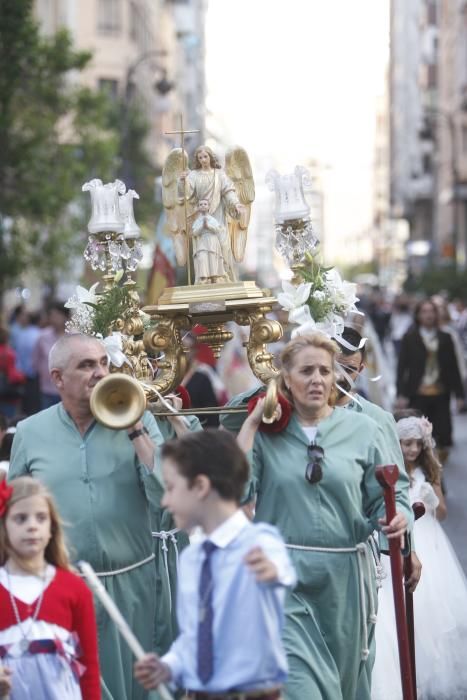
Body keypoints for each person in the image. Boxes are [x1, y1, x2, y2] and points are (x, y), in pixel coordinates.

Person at [235, 332, 412, 700]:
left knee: (343, 684)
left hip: (345, 578)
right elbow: (237, 491)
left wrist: (398, 521)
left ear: (336, 378)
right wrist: (251, 424)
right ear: (286, 378)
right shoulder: (268, 433)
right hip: (282, 576)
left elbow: (390, 496)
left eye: (325, 371)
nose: (317, 379)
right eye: (306, 371)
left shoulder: (366, 429)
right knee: (299, 685)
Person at [8, 333, 165, 700]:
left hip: (133, 583)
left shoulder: (140, 419)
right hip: (62, 586)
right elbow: (15, 508)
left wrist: (135, 428)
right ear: (58, 378)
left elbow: (164, 496)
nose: (99, 372)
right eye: (86, 365)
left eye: (103, 363)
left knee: (136, 687)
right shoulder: (31, 432)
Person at [134, 429, 296, 698]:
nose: (165, 500)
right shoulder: (192, 559)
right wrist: (169, 666)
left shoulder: (260, 542)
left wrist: (272, 571)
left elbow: (283, 573)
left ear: (200, 487)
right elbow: (193, 637)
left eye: (171, 488)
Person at [372, 414, 467, 699]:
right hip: (405, 544)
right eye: (406, 443)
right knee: (403, 607)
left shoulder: (428, 472)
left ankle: (425, 672)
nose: (412, 450)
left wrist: (431, 496)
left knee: (433, 613)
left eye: (417, 444)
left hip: (429, 542)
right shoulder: (389, 472)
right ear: (396, 444)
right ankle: (408, 672)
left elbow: (442, 514)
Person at [0, 476, 101, 699]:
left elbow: (89, 668)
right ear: (4, 526)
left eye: (41, 518)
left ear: (51, 527)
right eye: (20, 519)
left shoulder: (74, 588)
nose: (32, 526)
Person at [396, 298, 465, 464]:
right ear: (418, 315)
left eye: (431, 311)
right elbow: (401, 367)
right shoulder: (410, 337)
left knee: (442, 430)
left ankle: (438, 463)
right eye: (424, 312)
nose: (428, 315)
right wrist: (401, 394)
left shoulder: (445, 337)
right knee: (419, 430)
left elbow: (453, 367)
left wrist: (460, 394)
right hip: (418, 392)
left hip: (441, 392)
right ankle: (423, 462)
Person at [179, 145, 244, 282]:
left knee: (223, 247)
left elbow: (228, 192)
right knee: (204, 250)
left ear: (210, 157)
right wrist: (183, 181)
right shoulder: (194, 175)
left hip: (218, 216)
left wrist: (235, 203)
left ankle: (222, 277)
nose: (203, 160)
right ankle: (206, 278)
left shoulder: (219, 175)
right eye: (200, 157)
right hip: (201, 217)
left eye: (205, 156)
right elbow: (186, 194)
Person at [32, 302, 70, 410]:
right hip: (47, 388)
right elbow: (36, 360)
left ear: (65, 316)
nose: (54, 319)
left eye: (57, 315)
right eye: (51, 315)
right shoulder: (43, 336)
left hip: (68, 389)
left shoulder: (73, 337)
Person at [191, 198, 227, 284]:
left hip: (212, 240)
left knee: (212, 258)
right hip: (203, 240)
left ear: (208, 207)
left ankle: (214, 278)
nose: (203, 206)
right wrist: (202, 227)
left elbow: (218, 230)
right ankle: (204, 278)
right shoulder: (197, 221)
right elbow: (194, 233)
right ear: (198, 207)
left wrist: (208, 226)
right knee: (202, 258)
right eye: (201, 204)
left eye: (205, 204)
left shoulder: (212, 220)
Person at [0, 328, 26, 419]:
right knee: (8, 420)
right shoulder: (9, 353)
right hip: (7, 395)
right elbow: (13, 375)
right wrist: (22, 377)